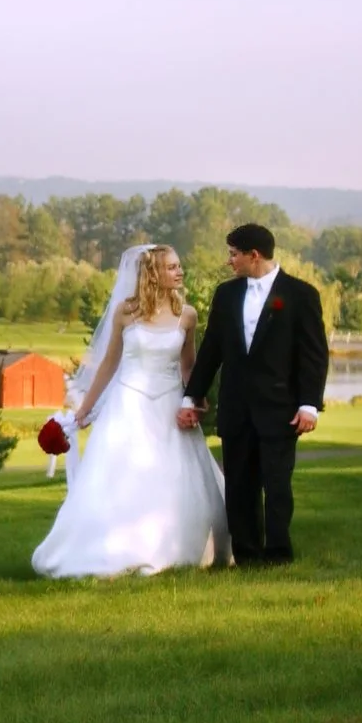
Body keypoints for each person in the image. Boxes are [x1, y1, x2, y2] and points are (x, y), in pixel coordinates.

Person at [30, 244, 231, 578]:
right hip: (129, 403)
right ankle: (112, 549)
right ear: (153, 273)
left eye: (180, 266)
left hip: (169, 404)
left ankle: (178, 549)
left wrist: (194, 398)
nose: (180, 272)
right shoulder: (126, 311)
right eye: (172, 267)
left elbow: (188, 364)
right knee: (121, 476)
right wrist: (85, 409)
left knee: (178, 477)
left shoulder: (188, 314)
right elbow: (109, 363)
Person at [179, 222, 329, 565]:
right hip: (235, 408)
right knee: (239, 487)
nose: (230, 261)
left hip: (281, 409)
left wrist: (309, 405)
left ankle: (277, 554)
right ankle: (247, 557)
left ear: (254, 255)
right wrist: (192, 396)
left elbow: (314, 356)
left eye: (234, 254)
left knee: (277, 486)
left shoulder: (300, 295)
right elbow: (211, 351)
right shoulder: (226, 294)